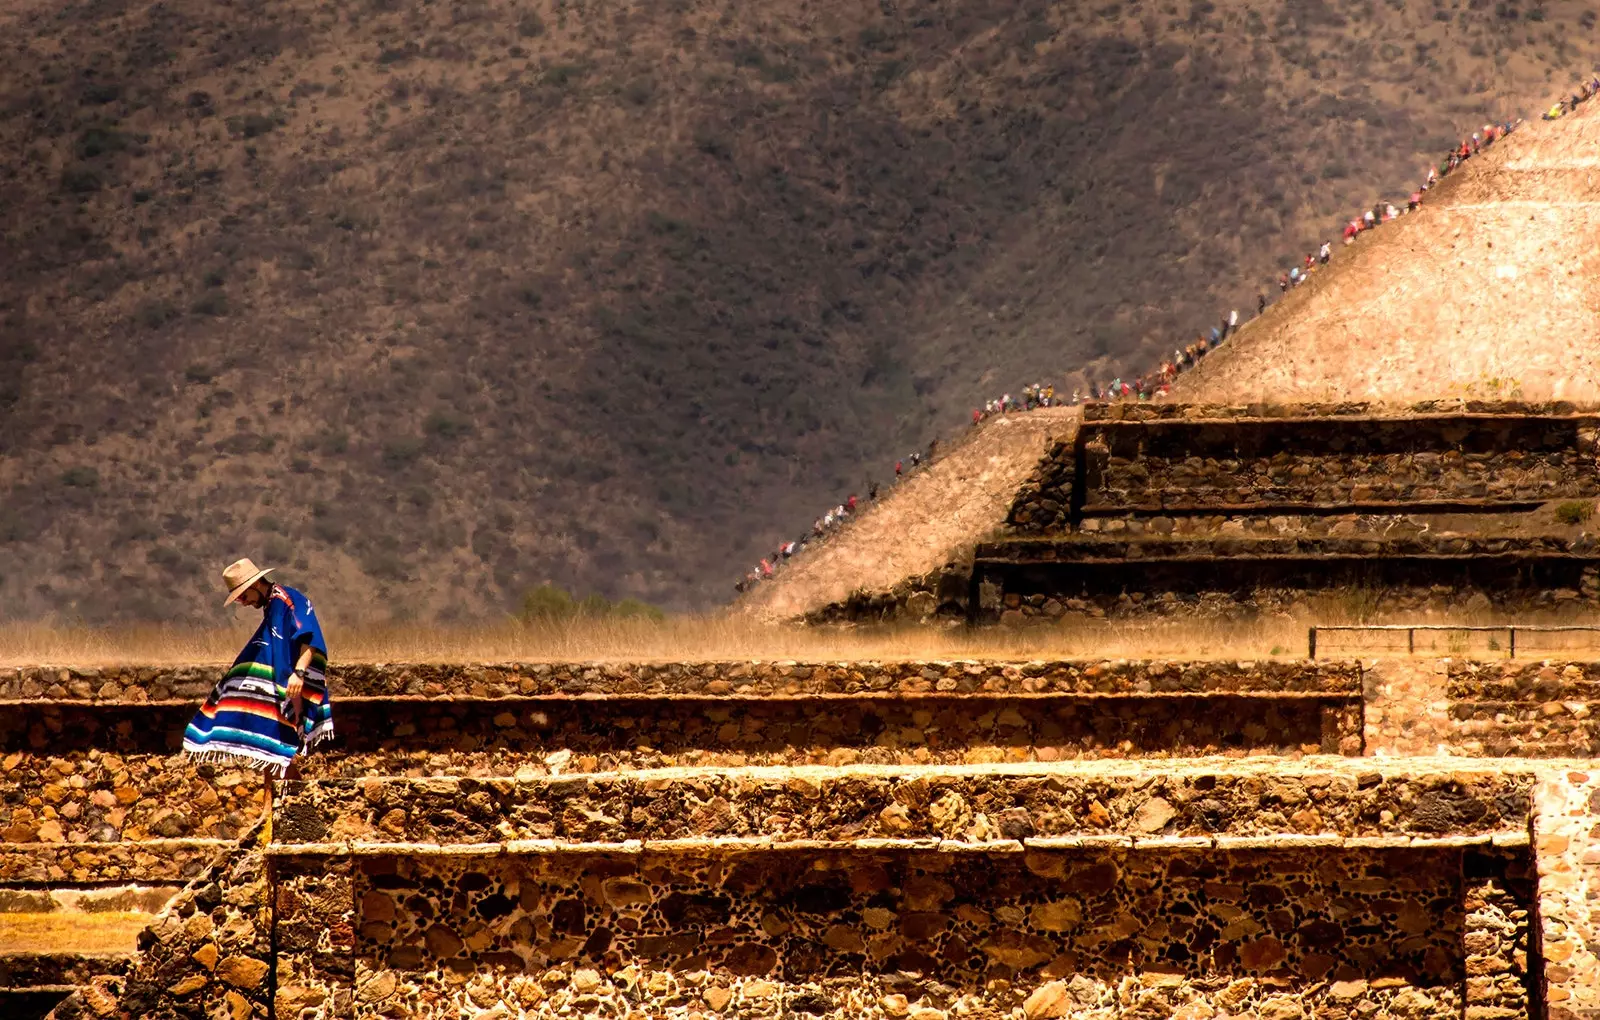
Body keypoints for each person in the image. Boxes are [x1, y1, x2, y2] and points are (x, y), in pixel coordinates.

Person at [184, 559, 332, 813]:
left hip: (293, 685)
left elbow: (309, 636)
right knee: (272, 744)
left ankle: (284, 810)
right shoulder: (272, 605)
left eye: (243, 596)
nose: (243, 602)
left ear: (255, 584)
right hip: (279, 685)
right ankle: (283, 809)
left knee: (277, 742)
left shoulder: (287, 601)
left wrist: (298, 673)